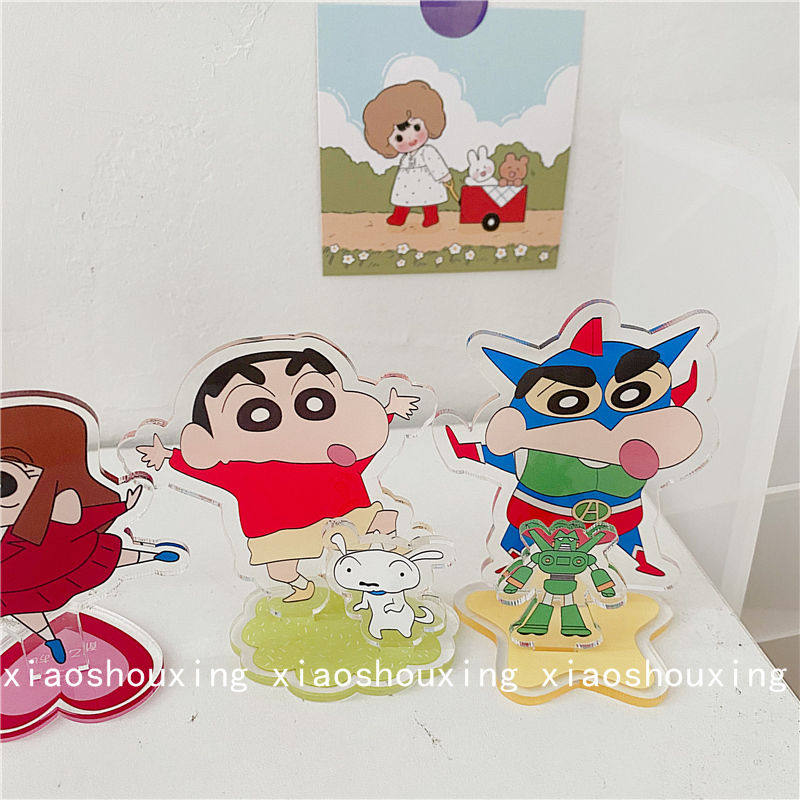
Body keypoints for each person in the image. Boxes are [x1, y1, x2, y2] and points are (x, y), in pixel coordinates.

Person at [138, 347, 419, 602]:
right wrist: (169, 456)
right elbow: (205, 469)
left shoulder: (335, 455)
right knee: (280, 571)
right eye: (256, 414)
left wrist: (388, 413)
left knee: (382, 520)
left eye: (315, 401)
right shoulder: (243, 471)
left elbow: (367, 442)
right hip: (280, 532)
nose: (294, 425)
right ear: (207, 440)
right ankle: (302, 587)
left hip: (345, 514)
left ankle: (388, 564)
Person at [1, 403, 181, 664]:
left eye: (5, 484)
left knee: (97, 554)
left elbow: (84, 521)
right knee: (19, 603)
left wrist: (123, 506)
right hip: (14, 578)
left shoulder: (58, 507)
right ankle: (50, 640)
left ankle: (153, 556)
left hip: (56, 556)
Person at [363, 80, 453, 227]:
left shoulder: (427, 151)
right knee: (402, 198)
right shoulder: (406, 158)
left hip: (426, 181)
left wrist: (444, 176)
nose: (411, 139)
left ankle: (431, 217)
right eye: (399, 138)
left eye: (416, 128)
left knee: (428, 198)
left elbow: (435, 163)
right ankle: (399, 216)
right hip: (407, 182)